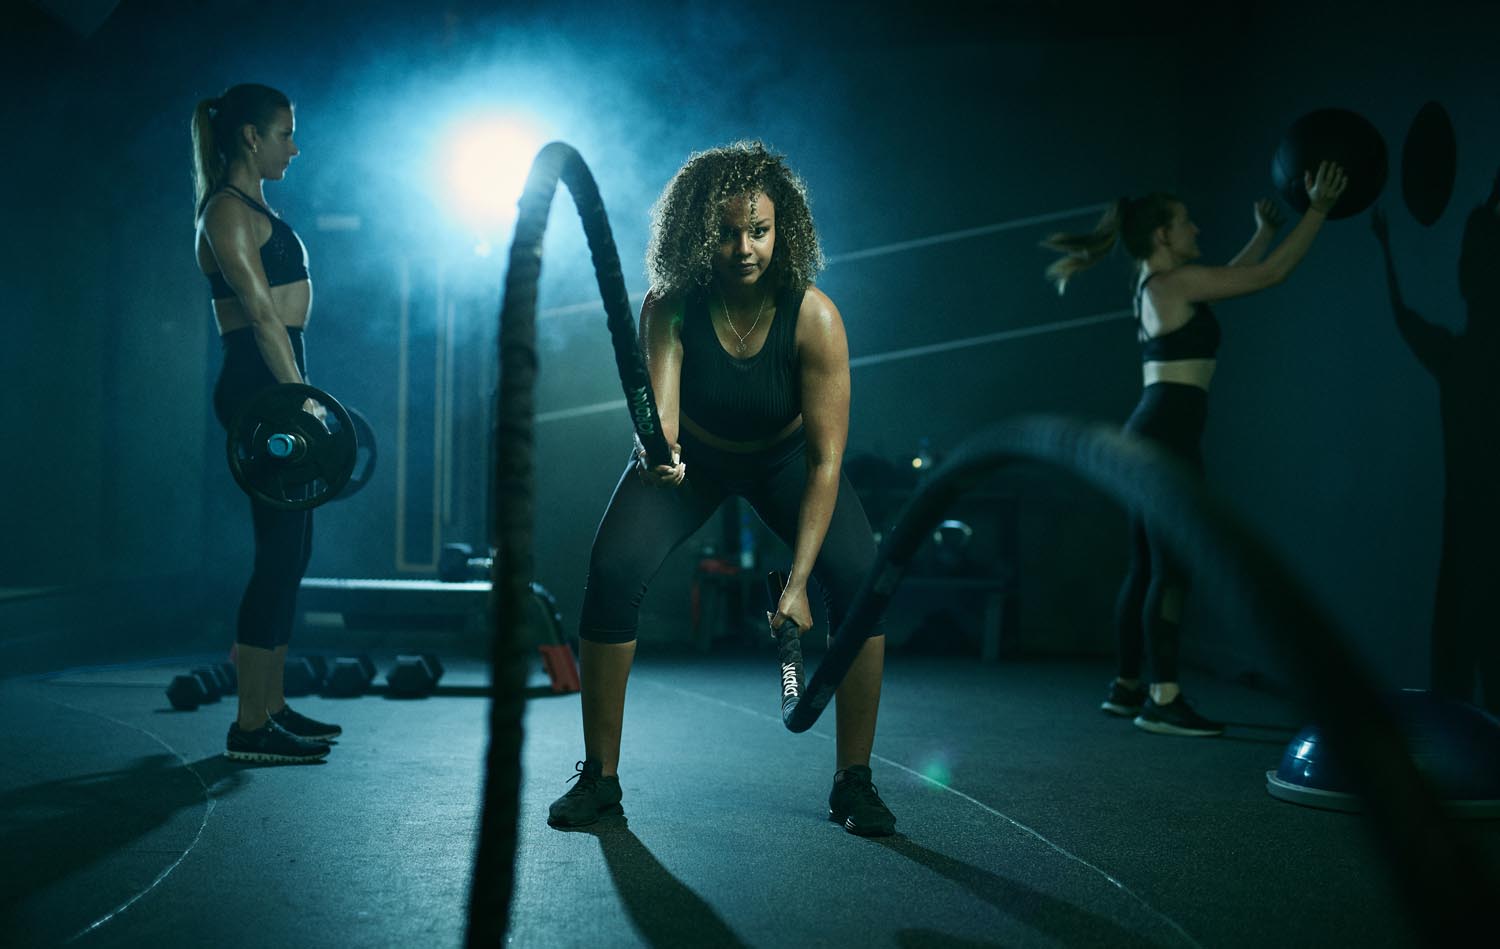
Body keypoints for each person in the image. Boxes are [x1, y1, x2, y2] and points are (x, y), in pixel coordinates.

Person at [547, 141, 895, 835]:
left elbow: (826, 462)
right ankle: (600, 778)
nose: (744, 247)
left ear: (782, 230)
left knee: (859, 578)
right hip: (696, 458)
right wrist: (660, 458)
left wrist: (796, 583)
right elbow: (664, 422)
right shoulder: (670, 305)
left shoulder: (815, 318)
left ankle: (855, 780)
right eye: (728, 232)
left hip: (787, 461)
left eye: (759, 231)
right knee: (612, 571)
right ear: (701, 234)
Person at [1042, 161, 1348, 736]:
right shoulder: (1171, 283)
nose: (1197, 232)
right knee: (1171, 569)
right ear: (1162, 235)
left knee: (1147, 566)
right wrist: (1319, 210)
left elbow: (1229, 277)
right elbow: (1272, 275)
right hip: (1166, 436)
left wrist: (1263, 231)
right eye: (1186, 225)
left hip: (1152, 430)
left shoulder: (1160, 283)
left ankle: (1129, 686)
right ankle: (1164, 698)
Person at [192, 83, 338, 762]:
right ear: (250, 136)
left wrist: (301, 390)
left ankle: (271, 705)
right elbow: (259, 315)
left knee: (294, 553)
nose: (294, 145)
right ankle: (250, 725)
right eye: (285, 132)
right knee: (277, 554)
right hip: (260, 383)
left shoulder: (252, 206)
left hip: (278, 376)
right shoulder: (224, 210)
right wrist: (302, 398)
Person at [1371, 170, 1500, 714]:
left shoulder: (1456, 356)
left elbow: (1405, 317)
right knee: (1473, 615)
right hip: (1472, 513)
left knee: (1466, 615)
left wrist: (1386, 251)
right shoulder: (1460, 355)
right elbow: (1406, 318)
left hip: (1469, 515)